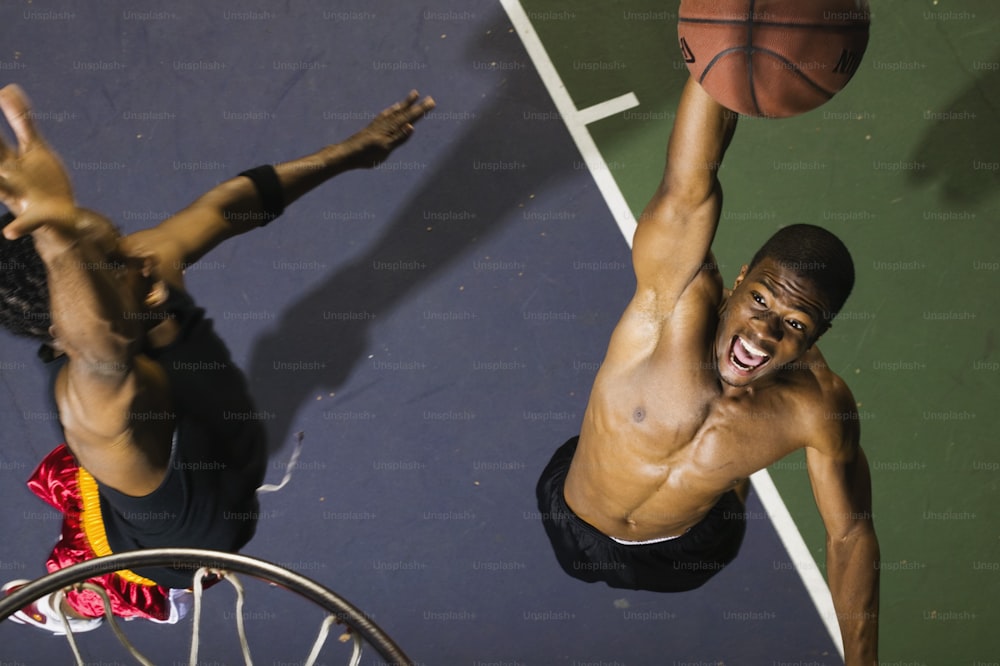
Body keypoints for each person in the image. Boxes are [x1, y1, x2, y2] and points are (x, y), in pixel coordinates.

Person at [0, 84, 434, 633]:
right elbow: (101, 351)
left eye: (115, 243)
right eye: (113, 265)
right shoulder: (97, 405)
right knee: (98, 578)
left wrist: (349, 153)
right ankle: (62, 602)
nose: (142, 261)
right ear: (61, 325)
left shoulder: (139, 272)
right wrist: (56, 235)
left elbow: (228, 206)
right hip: (155, 557)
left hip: (201, 475)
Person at [536, 77, 879, 664]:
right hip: (573, 514)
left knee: (718, 464)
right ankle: (725, 466)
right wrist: (715, 67)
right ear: (740, 277)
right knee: (677, 444)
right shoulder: (675, 298)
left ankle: (725, 470)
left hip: (686, 552)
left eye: (797, 324)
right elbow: (690, 184)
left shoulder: (818, 408)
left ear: (819, 337)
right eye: (762, 300)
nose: (766, 331)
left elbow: (849, 537)